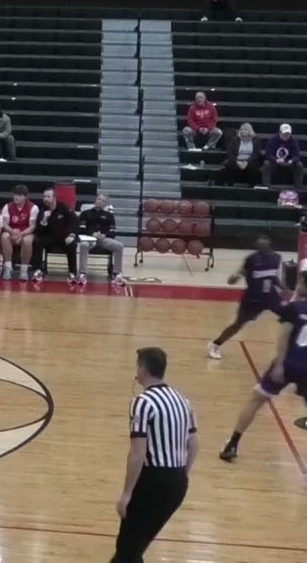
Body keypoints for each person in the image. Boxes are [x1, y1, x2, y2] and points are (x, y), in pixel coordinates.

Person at [112, 347, 197, 563]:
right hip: (177, 481)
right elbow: (194, 444)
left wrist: (126, 494)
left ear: (143, 368)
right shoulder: (183, 400)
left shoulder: (143, 403)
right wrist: (180, 475)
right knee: (134, 548)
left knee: (127, 549)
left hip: (153, 480)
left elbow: (137, 452)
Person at [218, 273, 307, 462]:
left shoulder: (294, 308)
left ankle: (232, 443)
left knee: (256, 400)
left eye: (300, 282)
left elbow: (283, 337)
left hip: (289, 363)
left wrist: (280, 365)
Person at [207, 232, 283, 360]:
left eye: (263, 239)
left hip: (271, 296)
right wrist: (234, 277)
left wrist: (285, 289)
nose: (260, 242)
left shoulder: (277, 258)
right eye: (258, 240)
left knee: (291, 316)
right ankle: (215, 344)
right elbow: (240, 273)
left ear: (269, 241)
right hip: (253, 298)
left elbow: (275, 277)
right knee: (238, 324)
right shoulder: (251, 259)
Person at [29, 188, 79, 284]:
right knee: (37, 241)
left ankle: (72, 273)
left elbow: (75, 221)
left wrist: (72, 235)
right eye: (44, 197)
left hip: (63, 237)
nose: (45, 199)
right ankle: (38, 270)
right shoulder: (42, 209)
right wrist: (44, 220)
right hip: (49, 238)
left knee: (72, 244)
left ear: (54, 198)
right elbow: (38, 229)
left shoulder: (63, 207)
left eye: (48, 196)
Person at [77, 192, 126, 286]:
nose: (100, 202)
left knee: (119, 246)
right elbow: (80, 229)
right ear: (95, 200)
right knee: (83, 245)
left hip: (103, 239)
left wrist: (104, 235)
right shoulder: (85, 213)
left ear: (105, 204)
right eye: (99, 199)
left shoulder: (109, 215)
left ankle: (117, 273)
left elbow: (113, 231)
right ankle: (82, 273)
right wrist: (92, 234)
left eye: (103, 201)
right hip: (89, 239)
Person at [0, 185, 38, 281]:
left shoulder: (33, 207)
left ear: (25, 196)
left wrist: (21, 234)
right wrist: (12, 232)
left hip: (25, 233)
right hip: (12, 232)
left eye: (19, 195)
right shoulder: (7, 206)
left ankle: (24, 270)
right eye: (15, 195)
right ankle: (8, 267)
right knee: (4, 236)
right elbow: (4, 224)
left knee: (27, 240)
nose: (16, 197)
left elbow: (32, 226)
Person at [261, 124, 303, 189]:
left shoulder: (294, 141)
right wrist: (276, 160)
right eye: (284, 134)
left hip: (288, 162)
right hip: (275, 161)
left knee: (299, 165)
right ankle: (266, 186)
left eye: (288, 134)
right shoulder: (272, 140)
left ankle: (298, 187)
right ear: (280, 132)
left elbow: (297, 155)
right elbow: (268, 154)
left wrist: (292, 160)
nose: (286, 136)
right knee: (266, 164)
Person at [219, 123, 260, 187]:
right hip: (237, 159)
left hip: (250, 160)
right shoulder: (235, 139)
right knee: (230, 165)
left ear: (250, 131)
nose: (243, 131)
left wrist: (246, 162)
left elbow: (256, 153)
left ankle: (251, 186)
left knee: (253, 166)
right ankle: (230, 185)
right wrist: (237, 161)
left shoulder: (255, 139)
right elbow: (229, 152)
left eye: (245, 129)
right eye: (241, 129)